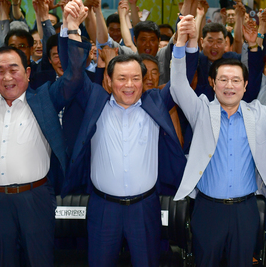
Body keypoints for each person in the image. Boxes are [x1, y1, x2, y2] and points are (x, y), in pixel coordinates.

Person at [170, 16, 266, 266]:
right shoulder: (201, 110)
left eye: (236, 80)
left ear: (246, 86)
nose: (229, 86)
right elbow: (178, 85)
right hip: (207, 209)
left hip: (246, 210)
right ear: (213, 84)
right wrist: (181, 43)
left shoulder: (258, 113)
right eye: (223, 80)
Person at [62, 15, 199, 266]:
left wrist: (183, 41)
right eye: (122, 78)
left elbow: (182, 78)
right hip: (103, 208)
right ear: (108, 80)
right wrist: (71, 29)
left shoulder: (155, 102)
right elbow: (75, 75)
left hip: (145, 208)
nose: (129, 85)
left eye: (136, 78)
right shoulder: (95, 103)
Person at [0, 0, 90, 266]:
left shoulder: (44, 99)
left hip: (35, 199)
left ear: (28, 73)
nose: (6, 77)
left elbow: (74, 75)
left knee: (40, 261)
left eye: (13, 69)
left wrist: (71, 27)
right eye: (0, 71)